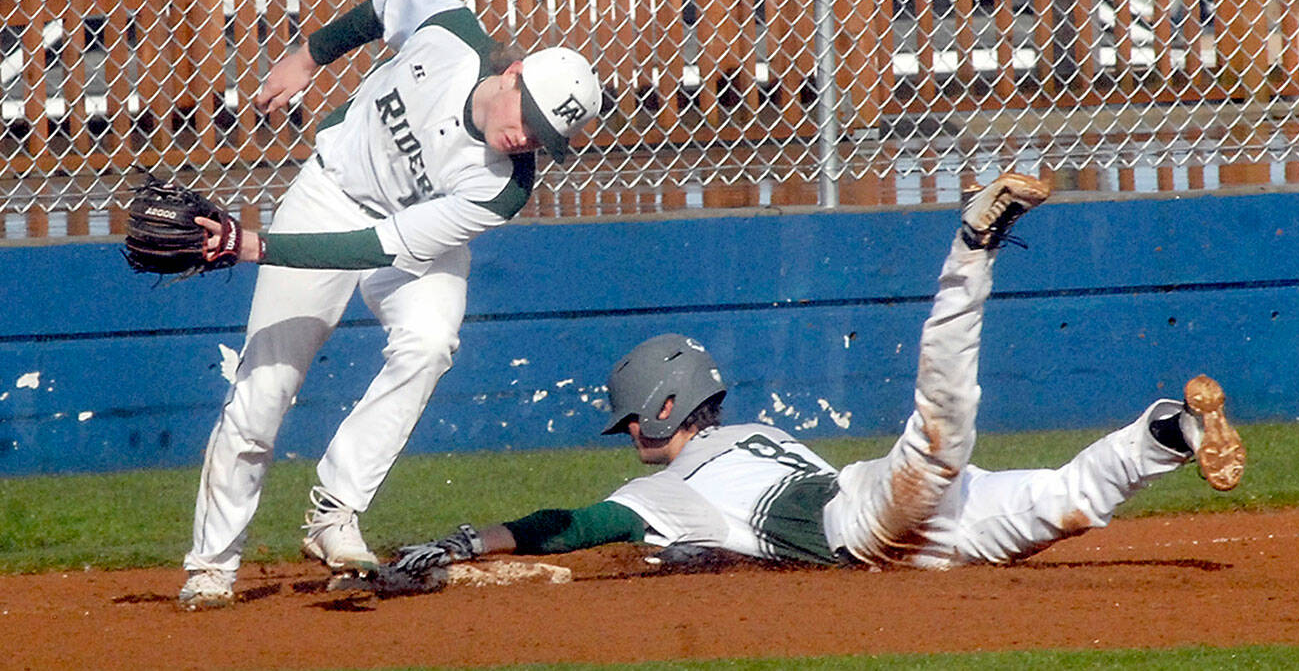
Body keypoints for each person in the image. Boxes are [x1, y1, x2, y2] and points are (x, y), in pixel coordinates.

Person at [384, 172, 1246, 585]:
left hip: (869, 518)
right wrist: (714, 558)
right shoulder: (756, 438)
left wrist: (470, 541)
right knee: (1070, 501)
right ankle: (1167, 431)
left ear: (669, 407)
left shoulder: (683, 477)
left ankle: (973, 247)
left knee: (945, 420)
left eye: (637, 422)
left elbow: (573, 523)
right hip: (909, 540)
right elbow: (751, 545)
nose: (634, 439)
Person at [177, 0, 603, 610]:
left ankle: (334, 509)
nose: (528, 138)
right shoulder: (451, 31)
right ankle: (211, 566)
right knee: (264, 387)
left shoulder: (501, 189)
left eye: (545, 137)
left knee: (430, 340)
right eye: (530, 119)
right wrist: (307, 56)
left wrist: (258, 248)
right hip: (329, 194)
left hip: (407, 236)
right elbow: (382, 8)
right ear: (512, 74)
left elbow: (381, 248)